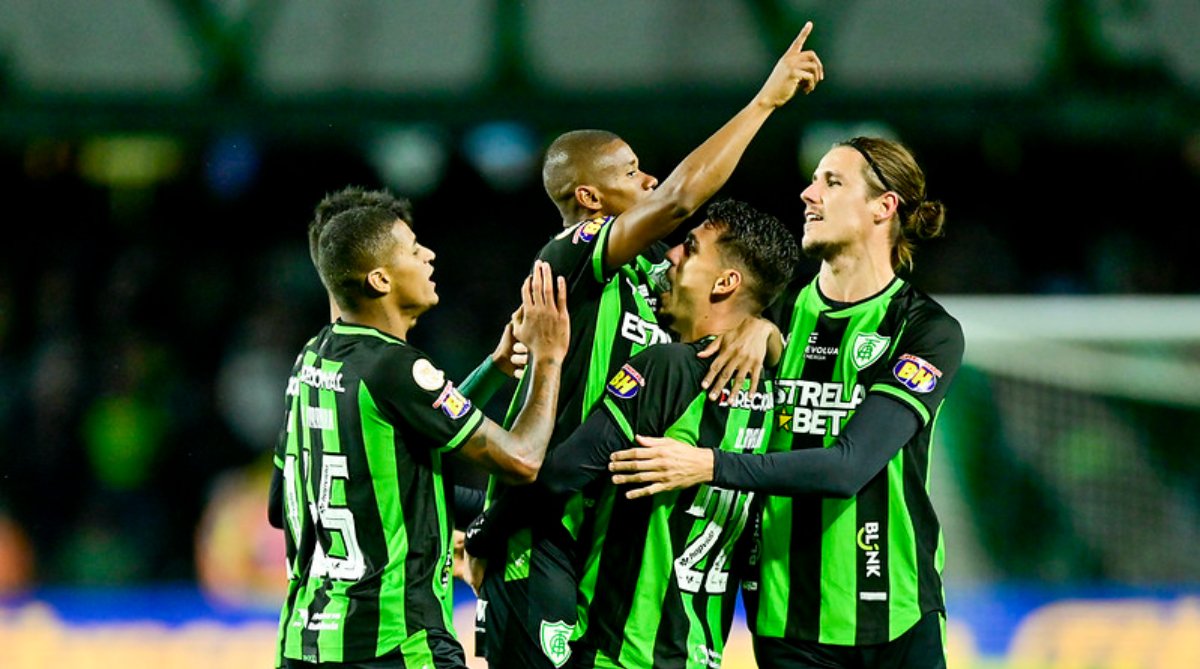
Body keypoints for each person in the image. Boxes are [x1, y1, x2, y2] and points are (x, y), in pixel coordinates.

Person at [469, 22, 825, 669]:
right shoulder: (572, 256)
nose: (650, 179)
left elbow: (724, 295)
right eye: (632, 173)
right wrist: (764, 102)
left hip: (595, 526)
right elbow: (681, 197)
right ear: (590, 197)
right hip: (537, 522)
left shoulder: (656, 275)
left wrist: (762, 327)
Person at [609, 136, 965, 668]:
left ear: (882, 207)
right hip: (786, 622)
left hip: (898, 617)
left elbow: (850, 466)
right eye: (813, 179)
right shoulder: (773, 311)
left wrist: (706, 466)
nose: (808, 193)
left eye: (832, 182)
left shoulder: (924, 329)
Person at [470, 198, 800, 668]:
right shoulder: (778, 392)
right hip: (698, 650)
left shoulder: (666, 367)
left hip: (620, 649)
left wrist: (485, 533)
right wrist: (765, 328)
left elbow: (563, 475)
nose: (670, 256)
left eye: (690, 248)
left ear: (726, 283)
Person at [268, 204, 570, 668]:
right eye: (413, 250)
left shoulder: (313, 359)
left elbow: (280, 505)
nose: (429, 255)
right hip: (395, 642)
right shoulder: (395, 367)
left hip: (304, 644)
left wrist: (493, 369)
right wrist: (548, 357)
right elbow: (522, 458)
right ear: (381, 280)